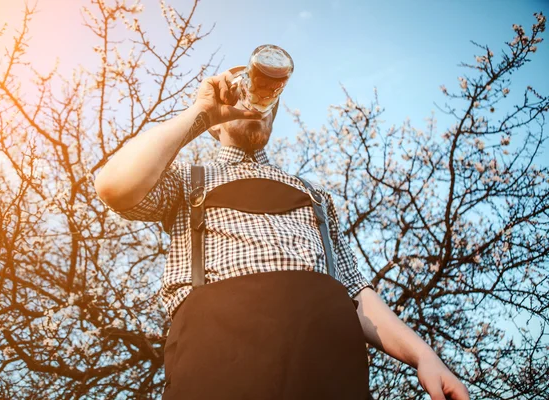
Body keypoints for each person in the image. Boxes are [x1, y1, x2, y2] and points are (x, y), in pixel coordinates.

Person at [94, 67, 470, 400]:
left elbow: (359, 296)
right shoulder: (188, 182)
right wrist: (201, 113)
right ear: (216, 125)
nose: (255, 102)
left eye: (266, 98)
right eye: (241, 93)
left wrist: (426, 357)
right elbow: (114, 186)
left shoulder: (316, 198)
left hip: (326, 366)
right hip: (217, 361)